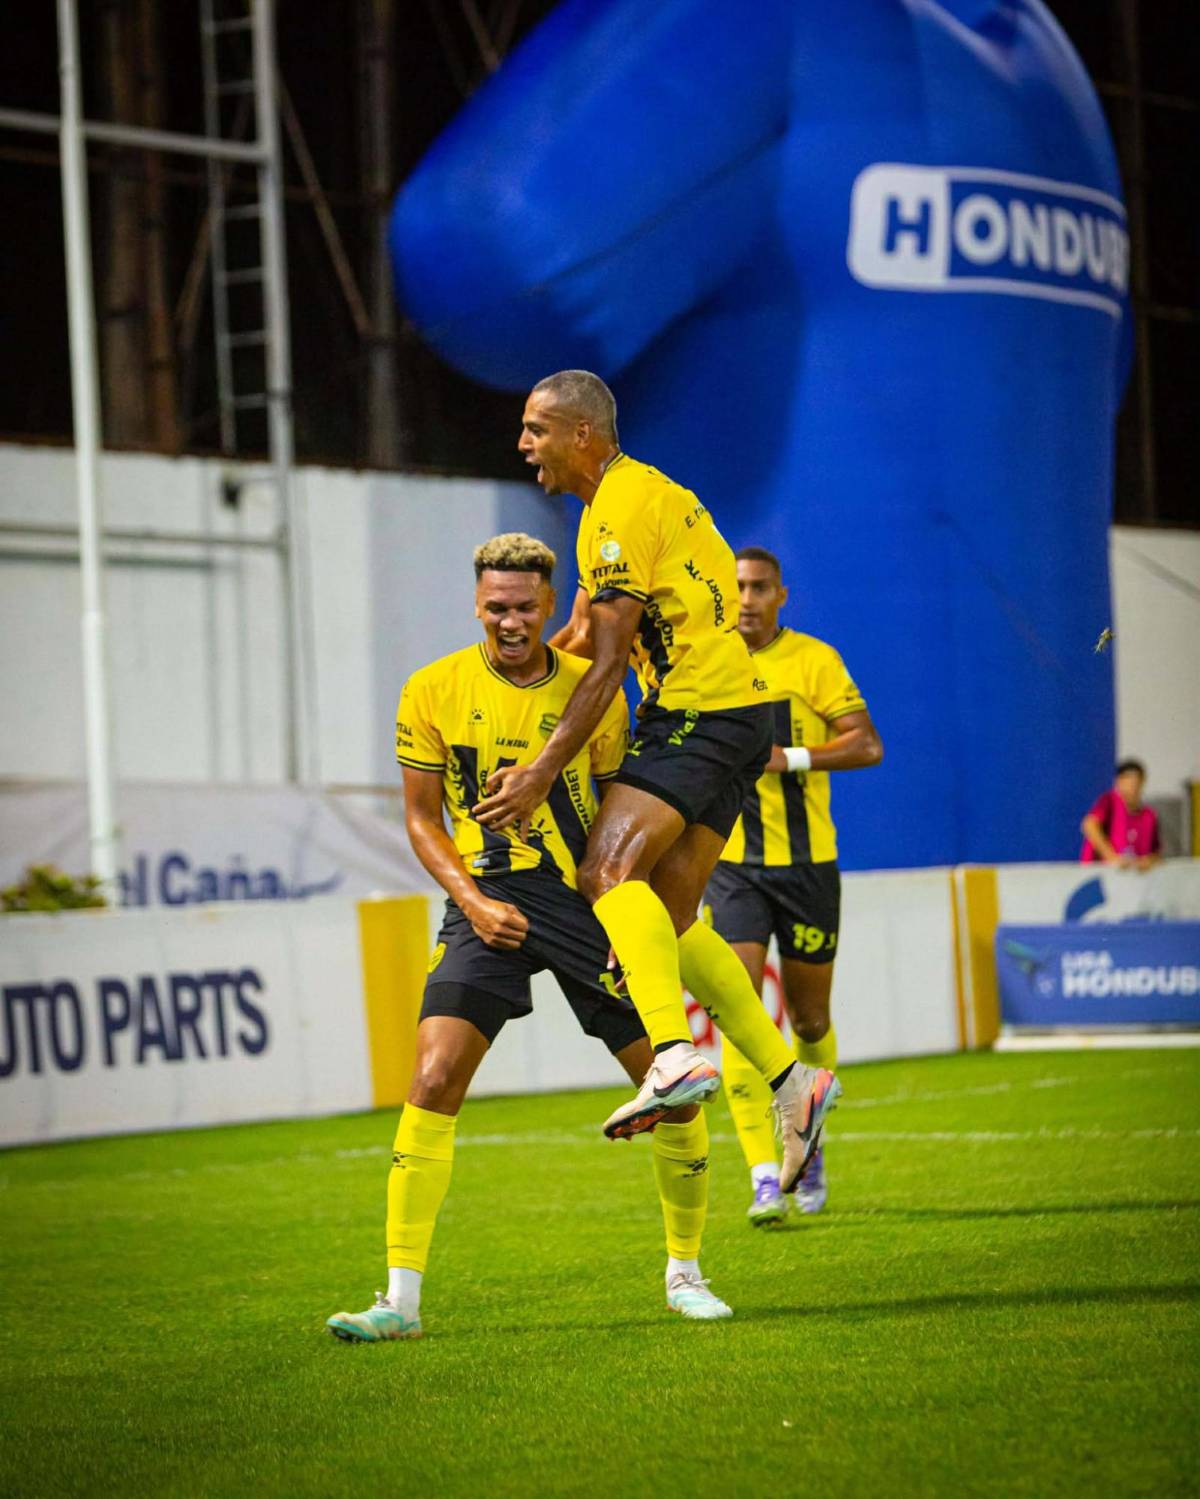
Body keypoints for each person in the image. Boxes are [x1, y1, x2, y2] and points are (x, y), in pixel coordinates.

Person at [327, 533, 730, 1341]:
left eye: (523, 607)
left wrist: (638, 912)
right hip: (490, 904)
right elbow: (419, 817)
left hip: (586, 904)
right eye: (494, 607)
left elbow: (625, 814)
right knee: (434, 1074)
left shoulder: (596, 694)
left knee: (671, 1084)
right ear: (476, 604)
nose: (509, 621)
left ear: (554, 607)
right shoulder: (431, 689)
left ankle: (685, 1271)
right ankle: (399, 1301)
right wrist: (471, 901)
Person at [473, 371, 840, 1193]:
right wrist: (512, 685)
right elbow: (578, 634)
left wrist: (537, 770)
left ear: (580, 434)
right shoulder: (642, 497)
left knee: (604, 871)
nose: (524, 443)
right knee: (669, 917)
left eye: (536, 429)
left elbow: (604, 667)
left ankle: (673, 1055)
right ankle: (794, 1078)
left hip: (694, 717)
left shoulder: (615, 512)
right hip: (740, 718)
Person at [705, 547, 882, 1226]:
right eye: (736, 587)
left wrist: (791, 757)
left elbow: (867, 745)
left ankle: (808, 1143)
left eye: (758, 587)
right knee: (740, 1012)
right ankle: (761, 1175)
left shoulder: (814, 660)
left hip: (808, 868)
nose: (745, 598)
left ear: (782, 594)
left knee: (809, 1020)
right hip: (731, 868)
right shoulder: (707, 662)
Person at [1080, 760, 1162, 870]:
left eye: (1134, 784)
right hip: (1104, 876)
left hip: (1133, 879)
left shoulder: (1149, 816)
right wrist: (1112, 858)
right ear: (1118, 782)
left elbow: (1156, 852)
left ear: (1142, 782)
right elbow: (1089, 825)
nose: (1130, 789)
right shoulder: (1109, 803)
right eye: (1125, 783)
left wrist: (1149, 861)